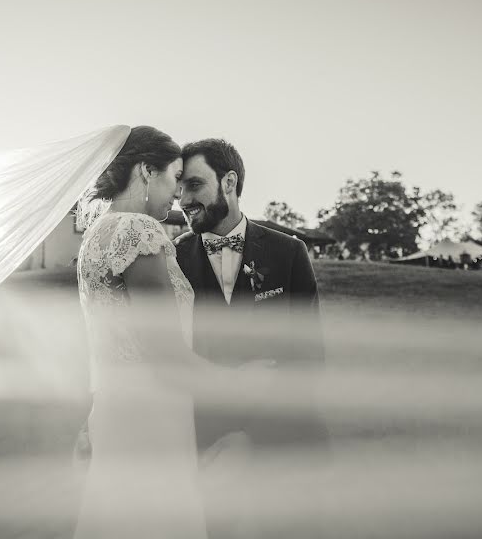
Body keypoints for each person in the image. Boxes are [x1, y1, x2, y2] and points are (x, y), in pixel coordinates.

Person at [73, 127, 274, 539]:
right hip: (153, 415)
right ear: (147, 171)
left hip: (114, 407)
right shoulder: (139, 231)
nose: (178, 195)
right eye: (173, 177)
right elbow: (166, 354)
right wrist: (239, 383)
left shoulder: (97, 233)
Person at [176, 139, 328, 537]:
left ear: (229, 181)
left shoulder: (289, 252)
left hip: (284, 446)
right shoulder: (170, 259)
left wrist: (250, 437)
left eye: (193, 185)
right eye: (178, 186)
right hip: (204, 448)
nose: (182, 199)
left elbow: (309, 355)